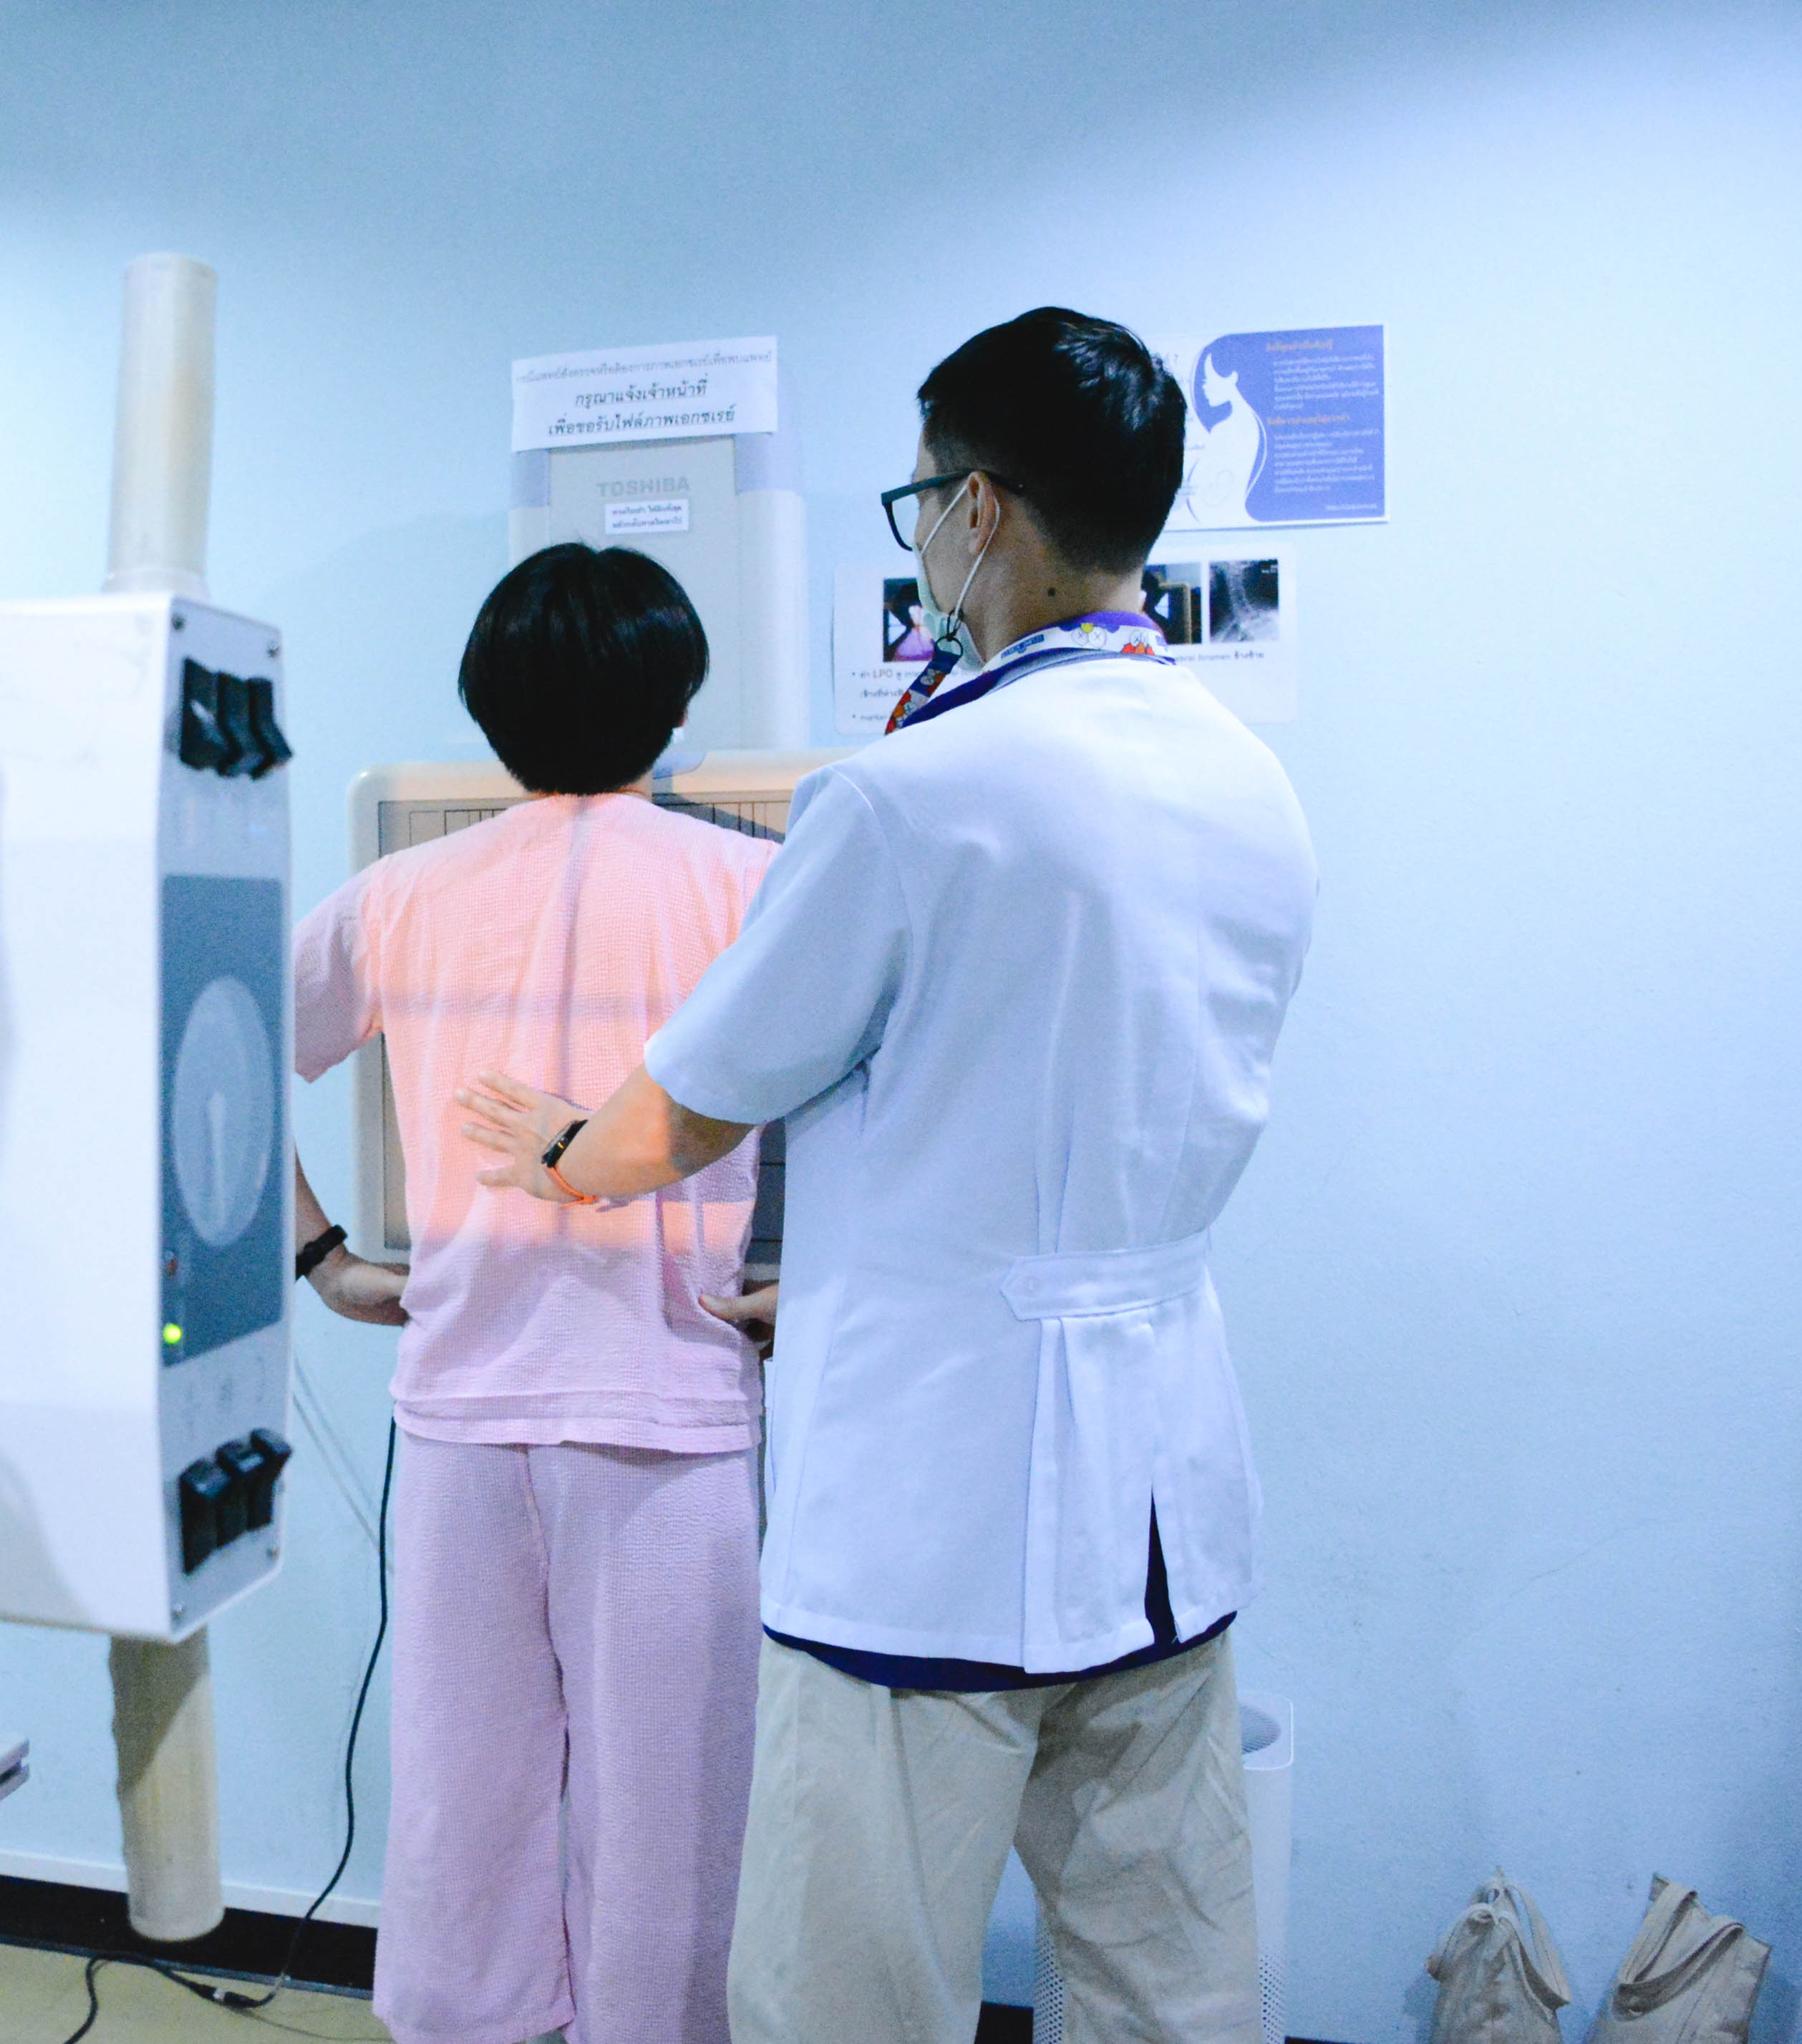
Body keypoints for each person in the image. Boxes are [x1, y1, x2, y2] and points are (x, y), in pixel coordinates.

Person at [460, 309, 1318, 2044]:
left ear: (979, 508)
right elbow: (1053, 1109)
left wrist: (556, 1144)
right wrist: (866, 1261)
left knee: (845, 1994)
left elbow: (678, 1116)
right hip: (1160, 1504)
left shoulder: (911, 794)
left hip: (934, 1518)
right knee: (1168, 1982)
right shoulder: (1247, 781)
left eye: (922, 498)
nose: (923, 532)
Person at [288, 543, 778, 2044]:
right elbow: (897, 1112)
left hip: (463, 1409)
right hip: (667, 1412)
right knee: (671, 1820)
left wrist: (321, 1258)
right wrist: (815, 1287)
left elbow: (195, 1048)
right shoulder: (753, 888)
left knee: (462, 1800)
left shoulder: (396, 895)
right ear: (675, 703)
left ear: (486, 710)